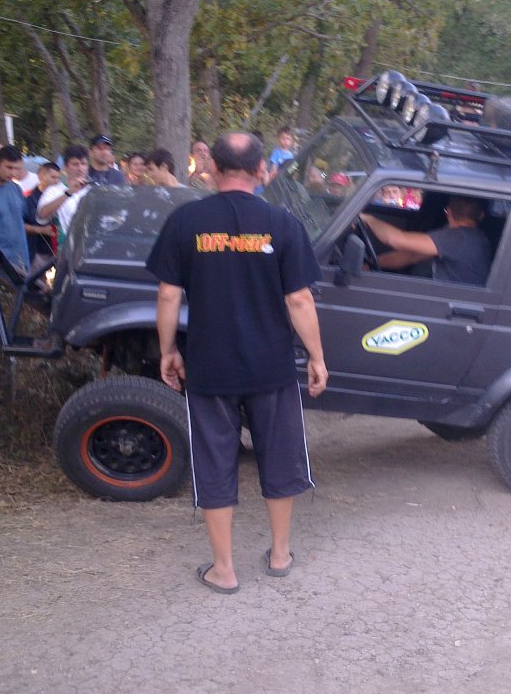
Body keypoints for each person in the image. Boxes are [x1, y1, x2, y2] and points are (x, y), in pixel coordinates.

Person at [147, 131, 327, 594]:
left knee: (214, 461)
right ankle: (280, 554)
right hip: (271, 367)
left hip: (210, 367)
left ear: (212, 168)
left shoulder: (185, 221)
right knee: (280, 456)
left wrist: (168, 350)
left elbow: (168, 294)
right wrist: (316, 357)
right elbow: (299, 300)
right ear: (262, 169)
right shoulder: (283, 224)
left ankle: (223, 570)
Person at [359, 195, 493, 286]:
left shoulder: (459, 238)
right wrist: (372, 264)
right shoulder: (474, 238)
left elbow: (396, 240)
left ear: (448, 212)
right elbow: (411, 256)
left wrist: (368, 219)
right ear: (481, 216)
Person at [37, 145, 89, 247]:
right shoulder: (54, 190)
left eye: (83, 164)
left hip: (90, 246)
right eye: (75, 164)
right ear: (65, 167)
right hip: (65, 248)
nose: (80, 168)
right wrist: (68, 192)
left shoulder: (94, 189)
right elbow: (42, 215)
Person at [24, 161, 60, 272]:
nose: (56, 181)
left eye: (58, 178)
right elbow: (19, 225)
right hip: (37, 252)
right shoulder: (28, 198)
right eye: (53, 177)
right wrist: (41, 230)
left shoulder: (61, 197)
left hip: (57, 252)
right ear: (41, 176)